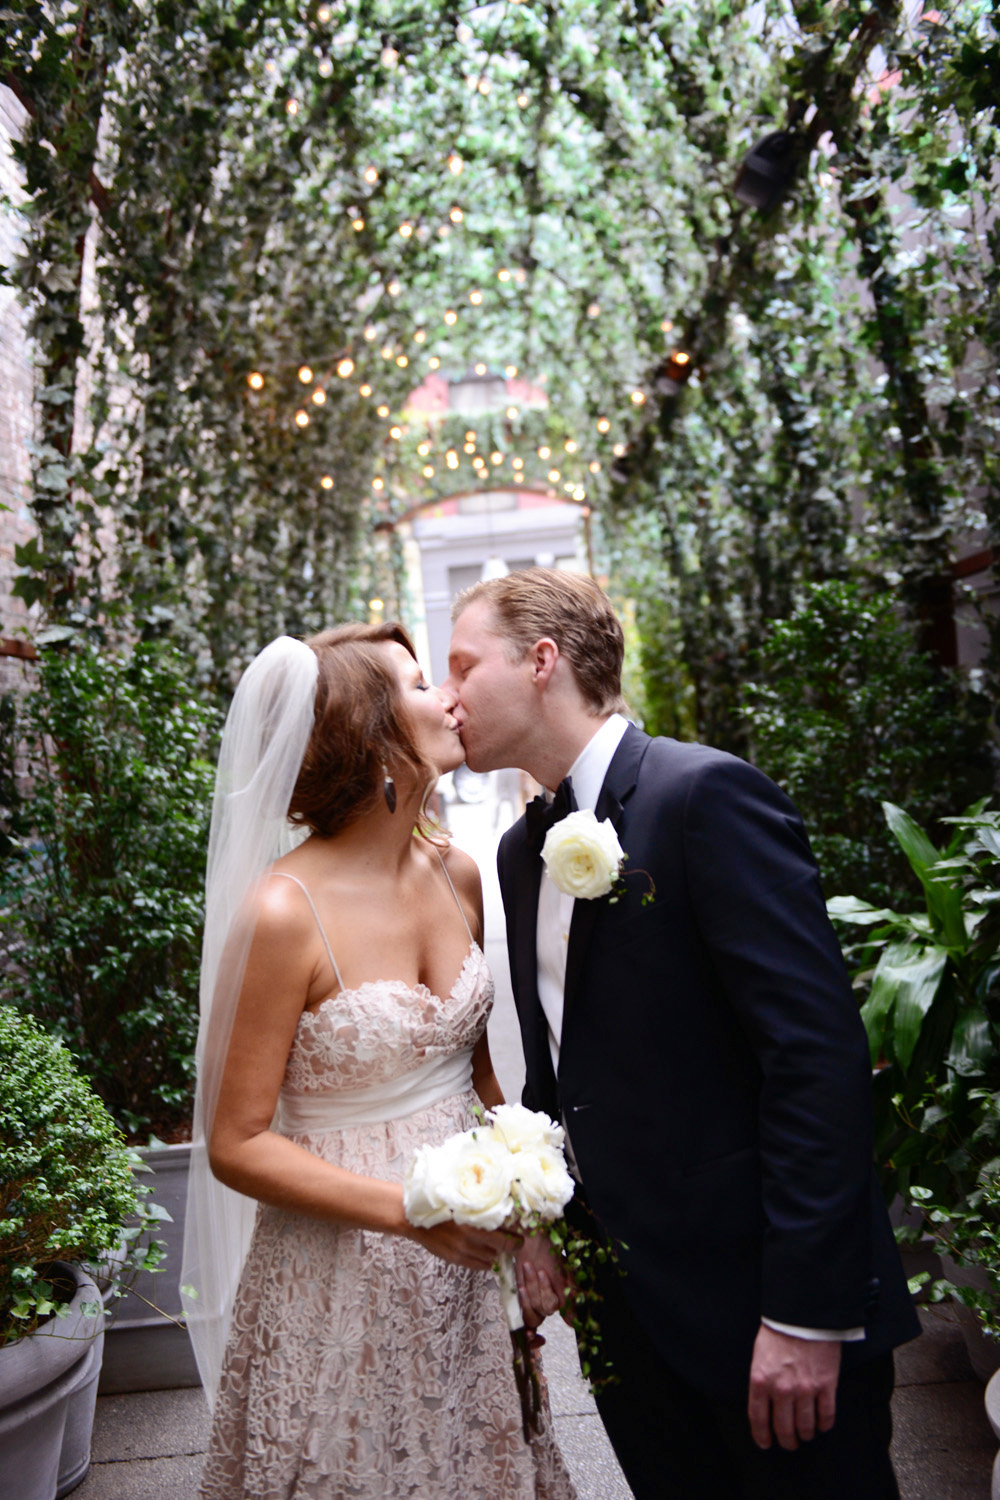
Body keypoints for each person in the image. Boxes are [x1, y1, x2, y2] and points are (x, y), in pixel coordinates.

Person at [444, 568, 921, 1500]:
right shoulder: (516, 851)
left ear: (542, 662)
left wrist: (806, 1316)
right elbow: (560, 1072)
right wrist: (554, 1234)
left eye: (463, 666)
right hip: (630, 1324)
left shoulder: (707, 796)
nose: (447, 693)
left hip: (764, 1311)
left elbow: (815, 1062)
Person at [180, 623, 576, 1500]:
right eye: (421, 683)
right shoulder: (284, 913)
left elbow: (476, 1078)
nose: (450, 698)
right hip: (342, 1268)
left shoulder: (457, 873)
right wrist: (405, 1211)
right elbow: (237, 1141)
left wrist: (527, 1226)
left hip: (468, 1263)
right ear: (371, 732)